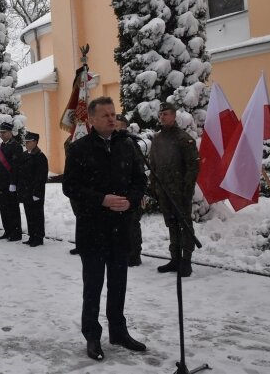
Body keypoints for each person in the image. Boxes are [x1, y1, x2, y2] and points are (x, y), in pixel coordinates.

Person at [63, 96, 148, 361]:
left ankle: (119, 331)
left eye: (114, 114)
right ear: (91, 120)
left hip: (120, 229)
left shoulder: (127, 146)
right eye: (105, 115)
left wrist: (131, 201)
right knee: (94, 285)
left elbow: (140, 180)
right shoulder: (79, 149)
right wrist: (102, 199)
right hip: (92, 229)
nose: (112, 118)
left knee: (118, 283)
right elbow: (70, 187)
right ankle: (92, 336)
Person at [148, 102, 199, 277]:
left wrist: (187, 189)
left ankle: (186, 261)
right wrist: (153, 186)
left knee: (184, 225)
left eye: (166, 114)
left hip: (181, 191)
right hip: (164, 191)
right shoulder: (158, 139)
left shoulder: (184, 138)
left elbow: (193, 167)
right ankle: (175, 258)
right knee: (171, 224)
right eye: (161, 114)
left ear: (174, 116)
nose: (163, 117)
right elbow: (153, 165)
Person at [116, 114, 144, 267]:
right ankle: (125, 252)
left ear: (124, 126)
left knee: (133, 224)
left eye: (118, 124)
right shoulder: (114, 143)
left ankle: (134, 255)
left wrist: (134, 193)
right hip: (118, 192)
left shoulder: (130, 143)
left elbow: (138, 171)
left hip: (131, 192)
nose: (114, 126)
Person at [0, 122, 22, 241]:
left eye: (4, 132)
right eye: (1, 132)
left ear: (10, 133)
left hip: (10, 184)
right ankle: (8, 230)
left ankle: (16, 232)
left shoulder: (16, 146)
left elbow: (15, 167)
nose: (2, 134)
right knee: (4, 209)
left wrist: (13, 183)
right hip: (0, 184)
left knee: (13, 209)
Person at [17, 131, 48, 247]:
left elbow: (41, 177)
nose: (26, 144)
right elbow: (20, 173)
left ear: (35, 142)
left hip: (35, 192)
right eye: (25, 142)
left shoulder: (40, 157)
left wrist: (37, 192)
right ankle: (32, 236)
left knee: (37, 215)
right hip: (26, 191)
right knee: (29, 214)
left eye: (28, 142)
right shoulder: (25, 155)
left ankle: (39, 237)